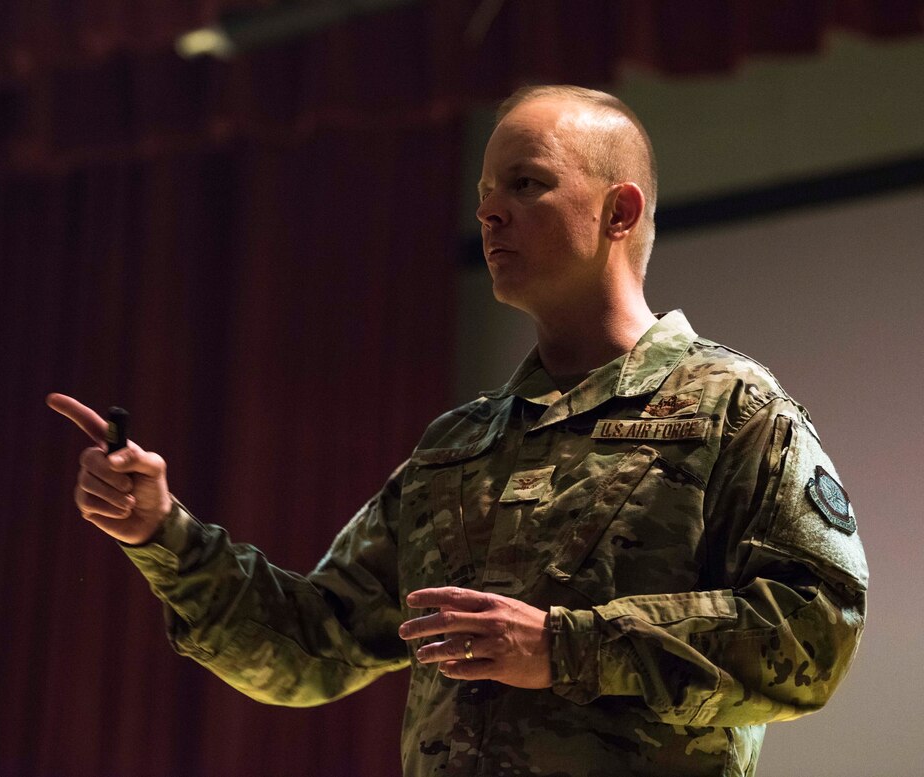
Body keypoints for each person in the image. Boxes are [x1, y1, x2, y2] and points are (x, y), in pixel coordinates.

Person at [48, 85, 867, 777]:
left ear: (619, 210)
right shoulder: (458, 450)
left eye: (526, 183)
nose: (488, 209)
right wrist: (162, 531)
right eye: (484, 191)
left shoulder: (731, 410)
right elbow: (310, 645)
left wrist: (564, 646)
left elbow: (814, 632)